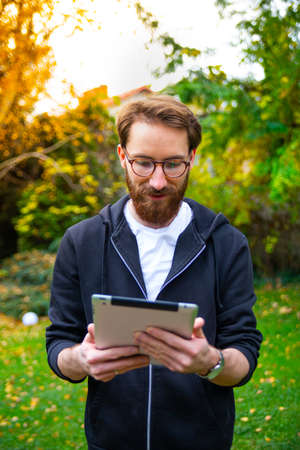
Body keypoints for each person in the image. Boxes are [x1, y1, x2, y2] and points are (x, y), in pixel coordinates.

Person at [46, 95, 262, 450]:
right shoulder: (81, 242)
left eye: (174, 164)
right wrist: (80, 359)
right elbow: (58, 345)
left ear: (192, 158)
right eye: (143, 163)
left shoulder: (227, 244)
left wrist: (212, 362)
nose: (159, 182)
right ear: (121, 157)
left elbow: (244, 354)